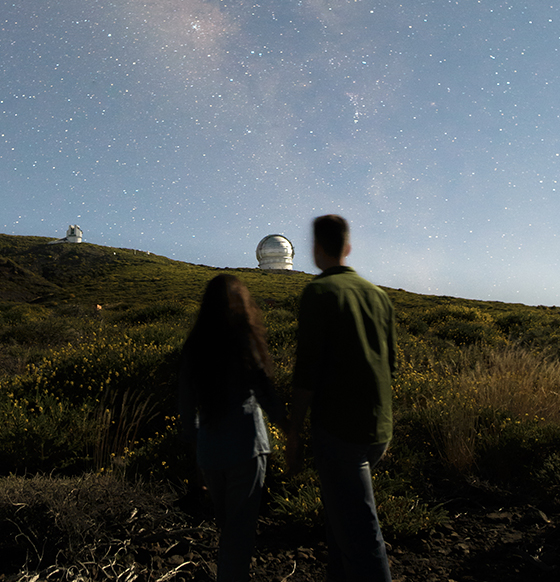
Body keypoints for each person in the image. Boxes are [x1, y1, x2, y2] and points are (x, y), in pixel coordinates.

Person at [287, 215, 396, 582]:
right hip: (377, 430)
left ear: (316, 249)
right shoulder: (378, 295)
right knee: (341, 520)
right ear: (348, 248)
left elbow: (306, 372)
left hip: (339, 430)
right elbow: (390, 364)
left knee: (361, 534)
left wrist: (293, 432)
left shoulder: (319, 293)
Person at [178, 274, 288, 582]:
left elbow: (186, 407)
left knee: (228, 529)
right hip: (246, 447)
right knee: (240, 534)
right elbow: (265, 392)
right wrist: (291, 431)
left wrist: (195, 455)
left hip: (210, 452)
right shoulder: (243, 340)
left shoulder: (194, 344)